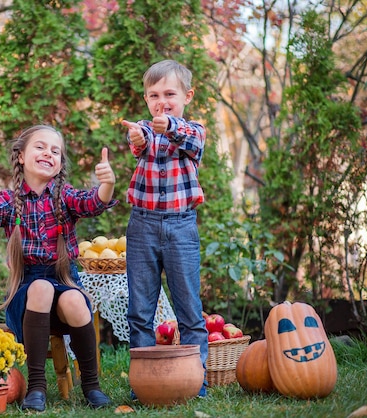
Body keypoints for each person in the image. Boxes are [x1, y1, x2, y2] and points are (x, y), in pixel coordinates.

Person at [0, 124, 117, 411]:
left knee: (73, 298)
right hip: (28, 298)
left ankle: (92, 386)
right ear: (21, 156)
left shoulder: (65, 197)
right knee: (41, 287)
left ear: (60, 163)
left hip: (64, 282)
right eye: (40, 147)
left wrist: (107, 184)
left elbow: (93, 203)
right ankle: (37, 387)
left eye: (55, 151)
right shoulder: (10, 202)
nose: (48, 153)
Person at [121, 59, 208, 397]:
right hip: (141, 225)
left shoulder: (193, 130)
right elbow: (139, 145)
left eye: (170, 93)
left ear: (187, 96)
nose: (162, 100)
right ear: (146, 99)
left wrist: (168, 123)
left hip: (181, 226)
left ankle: (195, 379)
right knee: (140, 310)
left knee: (189, 307)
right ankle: (142, 380)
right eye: (154, 95)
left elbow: (190, 141)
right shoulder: (144, 128)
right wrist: (138, 135)